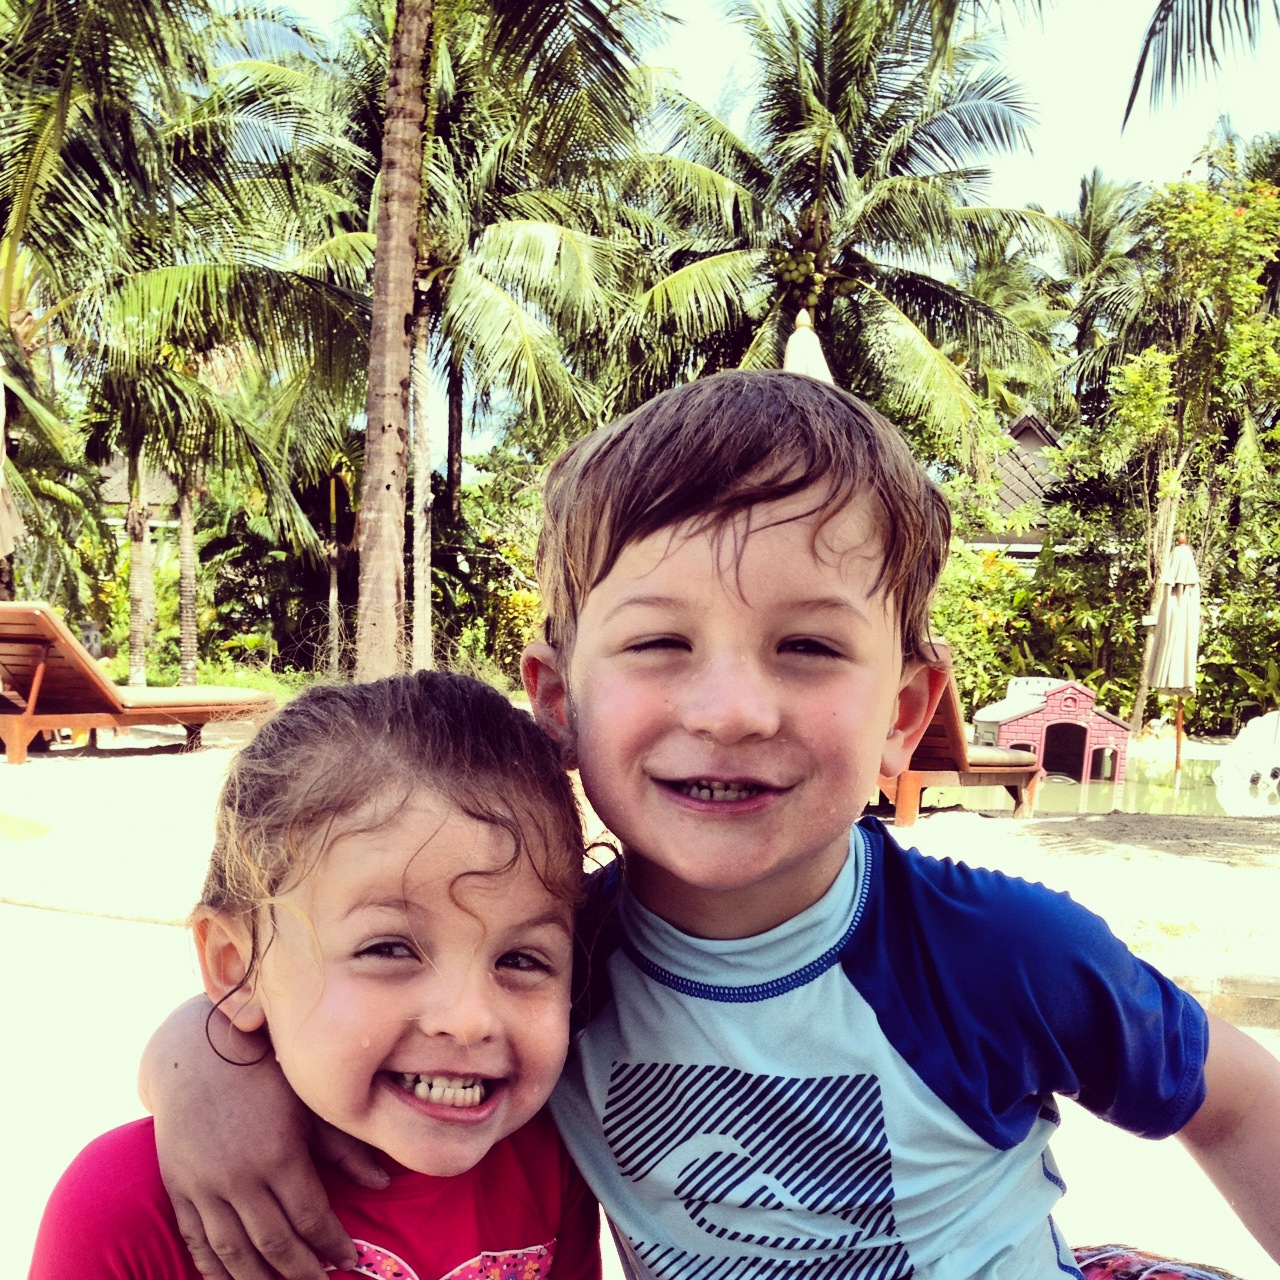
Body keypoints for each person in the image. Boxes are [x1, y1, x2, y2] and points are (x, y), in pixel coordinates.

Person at [137, 372, 1280, 1280]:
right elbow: (308, 984)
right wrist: (199, 1066)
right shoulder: (543, 963)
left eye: (807, 645)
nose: (732, 709)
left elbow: (1233, 1102)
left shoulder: (993, 954)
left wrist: (197, 1066)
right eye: (658, 642)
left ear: (901, 714)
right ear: (557, 699)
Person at [30, 671, 602, 1280]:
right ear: (236, 965)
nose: (469, 1020)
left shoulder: (556, 1160)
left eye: (522, 960)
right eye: (389, 949)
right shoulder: (127, 1207)